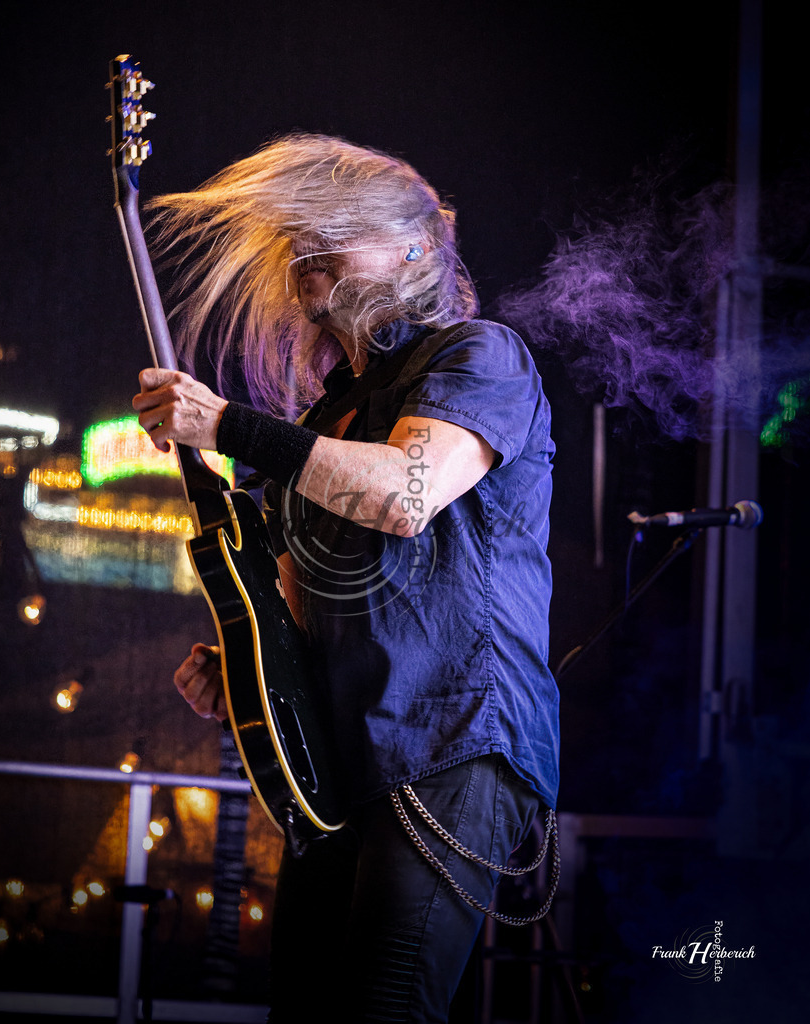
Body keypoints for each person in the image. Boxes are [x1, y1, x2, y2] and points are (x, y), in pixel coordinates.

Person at [132, 134, 559, 1023]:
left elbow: (405, 495)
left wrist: (227, 425)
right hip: (340, 757)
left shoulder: (479, 357)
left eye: (339, 230)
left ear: (417, 248)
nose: (309, 249)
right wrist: (246, 662)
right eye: (303, 234)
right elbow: (301, 589)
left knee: (384, 1009)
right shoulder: (329, 413)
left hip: (452, 738)